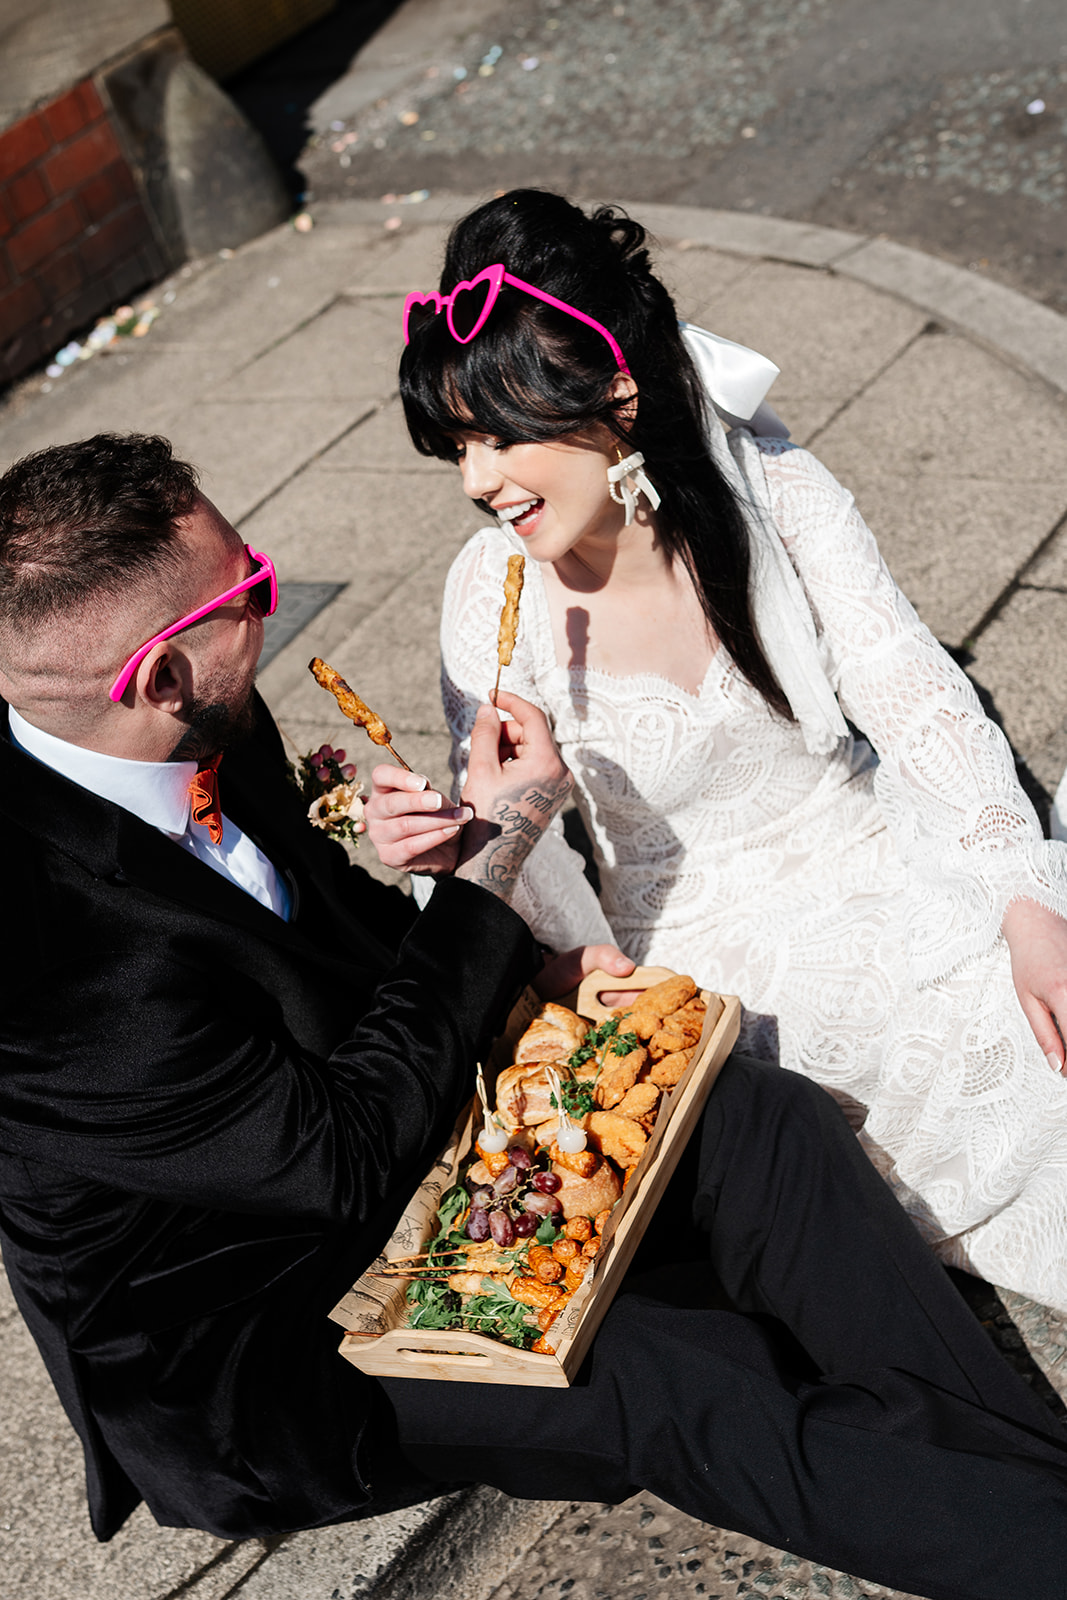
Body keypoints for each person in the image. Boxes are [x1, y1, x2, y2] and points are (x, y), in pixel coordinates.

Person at [7, 437, 1067, 1600]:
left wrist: (454, 887)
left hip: (406, 1143)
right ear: (157, 677)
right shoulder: (42, 959)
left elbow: (312, 940)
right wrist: (495, 863)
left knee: (754, 1112)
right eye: (250, 588)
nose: (268, 584)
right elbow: (342, 1158)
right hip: (258, 1327)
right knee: (668, 1372)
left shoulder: (193, 711)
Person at [377, 188, 1067, 1315]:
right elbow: (557, 934)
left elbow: (908, 690)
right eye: (458, 444)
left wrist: (1022, 899)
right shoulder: (488, 595)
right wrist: (491, 830)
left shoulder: (768, 486)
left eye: (503, 434)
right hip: (707, 950)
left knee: (1030, 1013)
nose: (477, 479)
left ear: (614, 391)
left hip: (874, 847)